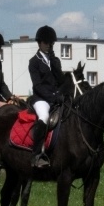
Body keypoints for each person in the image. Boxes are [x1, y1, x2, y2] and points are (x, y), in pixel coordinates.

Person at [28, 25, 65, 168]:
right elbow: (37, 86)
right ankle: (36, 155)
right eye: (47, 43)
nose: (49, 45)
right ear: (40, 43)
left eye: (52, 43)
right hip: (41, 98)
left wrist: (55, 62)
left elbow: (60, 80)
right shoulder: (34, 62)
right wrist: (52, 97)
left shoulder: (54, 60)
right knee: (43, 117)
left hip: (56, 96)